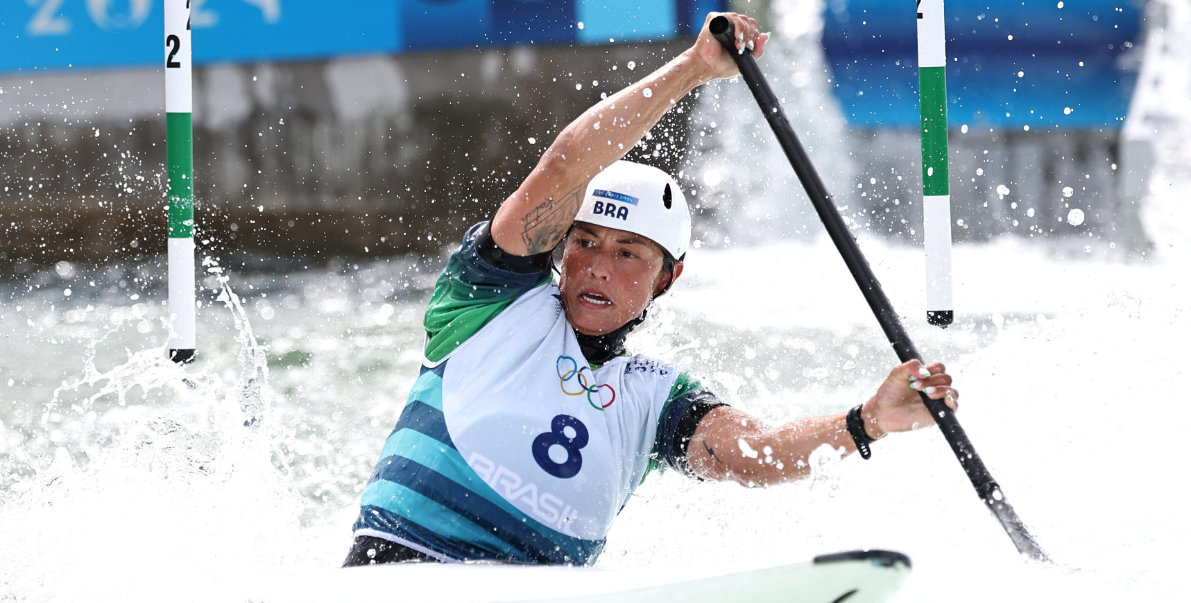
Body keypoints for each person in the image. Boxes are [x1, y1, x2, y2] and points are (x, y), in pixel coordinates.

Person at [343, 12, 959, 567]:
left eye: (628, 253)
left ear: (668, 277)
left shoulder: (654, 397)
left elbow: (749, 451)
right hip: (396, 565)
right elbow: (564, 165)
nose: (598, 267)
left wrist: (868, 421)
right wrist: (693, 69)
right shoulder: (490, 297)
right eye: (584, 242)